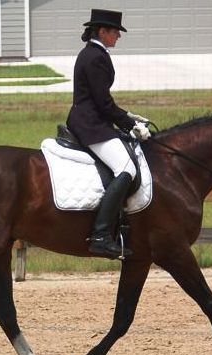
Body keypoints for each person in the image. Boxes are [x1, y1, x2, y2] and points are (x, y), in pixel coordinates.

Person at [66, 9, 151, 259]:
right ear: (102, 32)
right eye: (115, 32)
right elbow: (103, 103)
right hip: (90, 124)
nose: (118, 37)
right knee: (127, 169)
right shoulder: (95, 57)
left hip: (93, 120)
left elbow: (103, 101)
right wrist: (128, 124)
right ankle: (101, 235)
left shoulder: (94, 54)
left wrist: (129, 116)